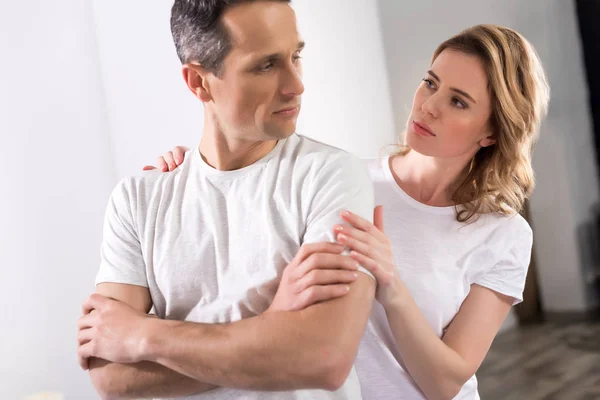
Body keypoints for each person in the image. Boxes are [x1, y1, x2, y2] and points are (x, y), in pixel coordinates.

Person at [150, 24, 551, 399]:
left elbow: (446, 382)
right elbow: (239, 207)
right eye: (430, 83)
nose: (428, 106)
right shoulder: (339, 179)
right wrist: (199, 173)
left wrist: (391, 287)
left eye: (458, 101)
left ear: (492, 132)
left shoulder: (504, 234)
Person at [76, 1, 377, 399]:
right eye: (266, 65)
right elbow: (112, 378)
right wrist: (272, 325)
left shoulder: (333, 176)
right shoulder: (137, 200)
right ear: (199, 82)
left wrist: (144, 335)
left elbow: (323, 359)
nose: (296, 84)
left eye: (295, 56)